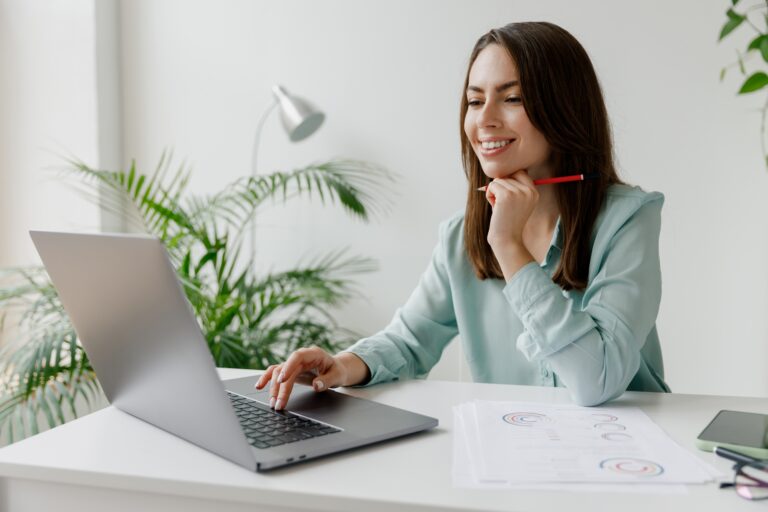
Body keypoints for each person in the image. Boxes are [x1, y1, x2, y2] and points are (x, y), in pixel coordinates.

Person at [255, 21, 670, 408]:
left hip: (624, 458)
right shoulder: (460, 235)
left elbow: (596, 380)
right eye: (474, 101)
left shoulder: (627, 219)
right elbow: (410, 340)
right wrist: (341, 365)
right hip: (514, 448)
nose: (484, 119)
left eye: (512, 98)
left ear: (564, 108)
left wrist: (509, 246)